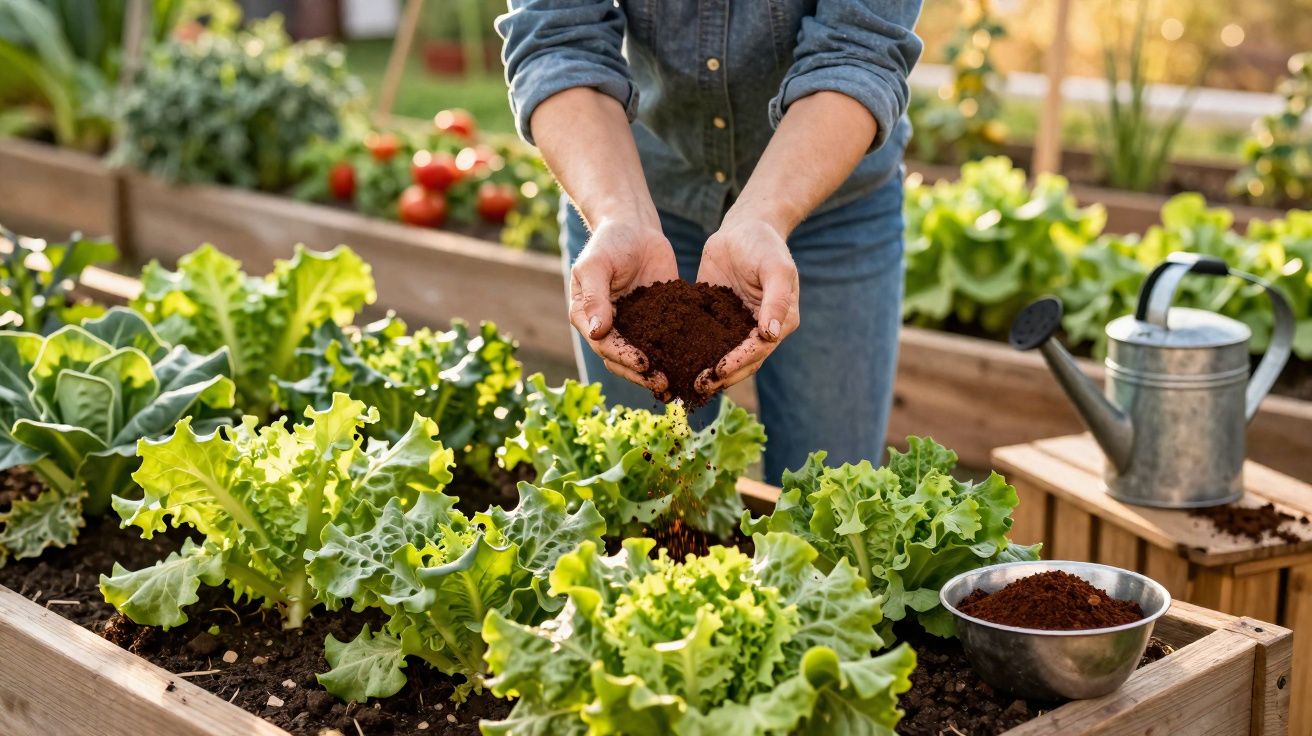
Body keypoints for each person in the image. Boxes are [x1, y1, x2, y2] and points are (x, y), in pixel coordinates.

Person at [496, 1, 923, 482]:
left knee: (832, 500)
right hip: (633, 193)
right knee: (643, 491)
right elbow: (558, 39)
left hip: (828, 200)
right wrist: (619, 215)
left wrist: (764, 217)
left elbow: (859, 50)